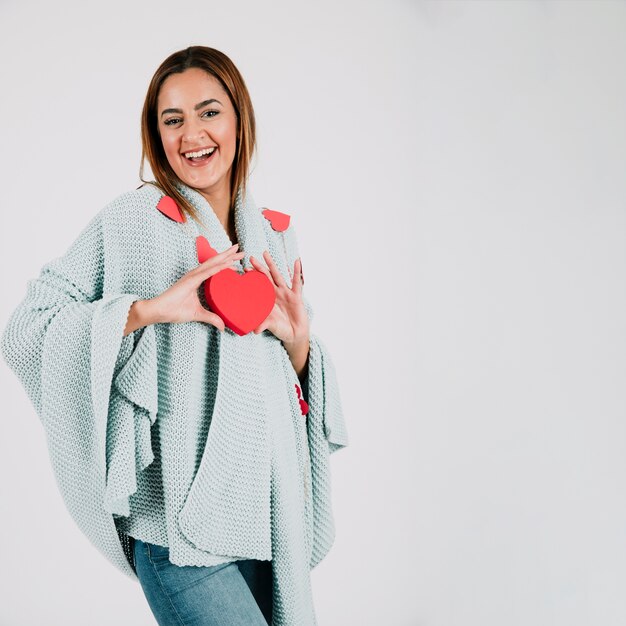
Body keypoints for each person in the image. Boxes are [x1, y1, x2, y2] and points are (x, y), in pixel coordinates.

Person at [1, 45, 348, 626]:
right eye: (173, 119)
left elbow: (286, 393)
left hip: (267, 520)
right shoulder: (131, 223)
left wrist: (298, 344)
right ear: (156, 134)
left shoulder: (273, 238)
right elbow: (25, 333)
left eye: (209, 112)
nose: (193, 134)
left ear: (239, 119)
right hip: (178, 534)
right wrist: (141, 311)